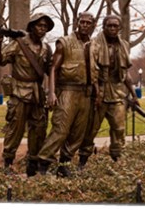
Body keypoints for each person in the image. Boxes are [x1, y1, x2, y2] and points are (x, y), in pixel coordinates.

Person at [37, 12, 99, 177]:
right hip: (67, 91)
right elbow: (53, 69)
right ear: (77, 23)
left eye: (88, 23)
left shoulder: (94, 46)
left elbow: (95, 72)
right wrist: (51, 93)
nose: (85, 25)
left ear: (93, 25)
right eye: (82, 22)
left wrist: (97, 94)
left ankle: (64, 165)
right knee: (61, 129)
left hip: (85, 94)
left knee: (78, 133)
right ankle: (42, 164)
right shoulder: (64, 42)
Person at [0, 13, 54, 177]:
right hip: (19, 92)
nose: (42, 29)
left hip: (37, 95)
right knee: (15, 130)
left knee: (39, 130)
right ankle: (8, 165)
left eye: (45, 27)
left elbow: (51, 71)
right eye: (39, 25)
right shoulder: (18, 44)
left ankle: (32, 166)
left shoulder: (47, 48)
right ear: (32, 26)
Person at [77, 15, 138, 170]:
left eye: (115, 26)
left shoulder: (123, 45)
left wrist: (134, 94)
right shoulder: (94, 45)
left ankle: (117, 160)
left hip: (117, 92)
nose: (112, 29)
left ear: (119, 28)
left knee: (119, 128)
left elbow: (125, 75)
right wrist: (96, 93)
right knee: (91, 129)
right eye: (109, 26)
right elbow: (91, 72)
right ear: (103, 27)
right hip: (99, 92)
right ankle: (82, 161)